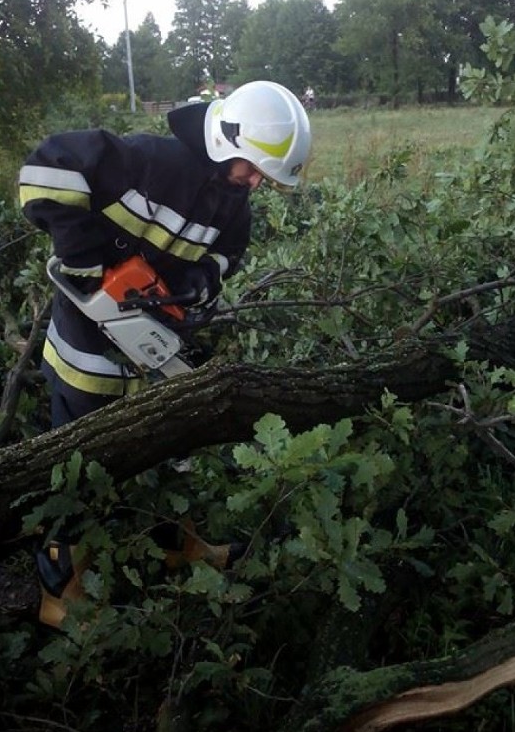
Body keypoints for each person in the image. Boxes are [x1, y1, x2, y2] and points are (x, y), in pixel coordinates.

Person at [18, 80, 311, 625]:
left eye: (262, 177)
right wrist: (84, 261)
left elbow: (227, 256)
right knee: (78, 465)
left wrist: (202, 280)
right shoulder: (148, 160)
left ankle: (175, 544)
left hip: (154, 347)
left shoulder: (232, 203)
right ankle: (61, 587)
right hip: (87, 352)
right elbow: (48, 168)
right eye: (252, 168)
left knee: (170, 447)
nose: (255, 182)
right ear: (229, 140)